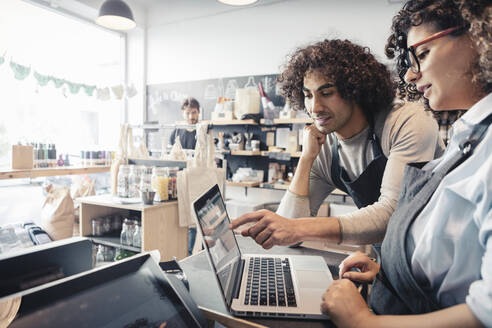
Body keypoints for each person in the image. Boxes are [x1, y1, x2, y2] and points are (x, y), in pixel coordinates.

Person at [320, 0, 492, 327]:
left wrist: (363, 322)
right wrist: (391, 273)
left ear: (479, 36)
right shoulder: (470, 135)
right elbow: (459, 257)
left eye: (423, 54)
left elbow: (486, 313)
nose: (412, 75)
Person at [230, 39, 445, 249]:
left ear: (355, 90)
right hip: (393, 259)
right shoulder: (324, 147)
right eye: (307, 96)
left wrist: (299, 228)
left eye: (326, 93)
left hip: (439, 257)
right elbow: (288, 236)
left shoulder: (407, 121)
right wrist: (306, 159)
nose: (314, 108)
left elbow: (393, 213)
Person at [169, 97, 200, 255]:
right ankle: (179, 250)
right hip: (179, 179)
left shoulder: (202, 130)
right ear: (183, 113)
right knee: (179, 215)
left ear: (199, 112)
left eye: (193, 112)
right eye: (187, 113)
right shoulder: (176, 131)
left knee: (192, 218)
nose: (190, 116)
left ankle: (189, 252)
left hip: (195, 179)